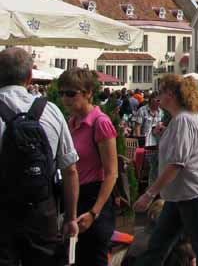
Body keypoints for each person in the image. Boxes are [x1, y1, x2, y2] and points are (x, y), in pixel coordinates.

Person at [133, 74, 198, 266]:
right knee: (158, 244)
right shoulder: (181, 119)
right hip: (181, 195)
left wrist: (149, 194)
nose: (158, 96)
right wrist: (164, 133)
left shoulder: (184, 119)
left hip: (193, 193)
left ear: (171, 95)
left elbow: (177, 163)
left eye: (161, 92)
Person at [0, 48, 80, 265]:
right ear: (29, 77)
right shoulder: (51, 111)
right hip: (42, 210)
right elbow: (70, 169)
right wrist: (71, 218)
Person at [59, 68, 118, 266]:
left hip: (95, 198)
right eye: (62, 93)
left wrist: (94, 212)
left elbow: (111, 173)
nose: (65, 98)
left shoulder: (100, 123)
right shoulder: (71, 123)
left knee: (93, 259)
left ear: (88, 93)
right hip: (76, 196)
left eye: (71, 93)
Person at [134, 92, 165, 183]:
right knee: (150, 165)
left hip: (157, 142)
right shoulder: (142, 110)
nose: (159, 102)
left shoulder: (161, 112)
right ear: (151, 100)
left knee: (157, 165)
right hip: (145, 142)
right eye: (158, 100)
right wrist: (139, 140)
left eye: (160, 100)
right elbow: (137, 126)